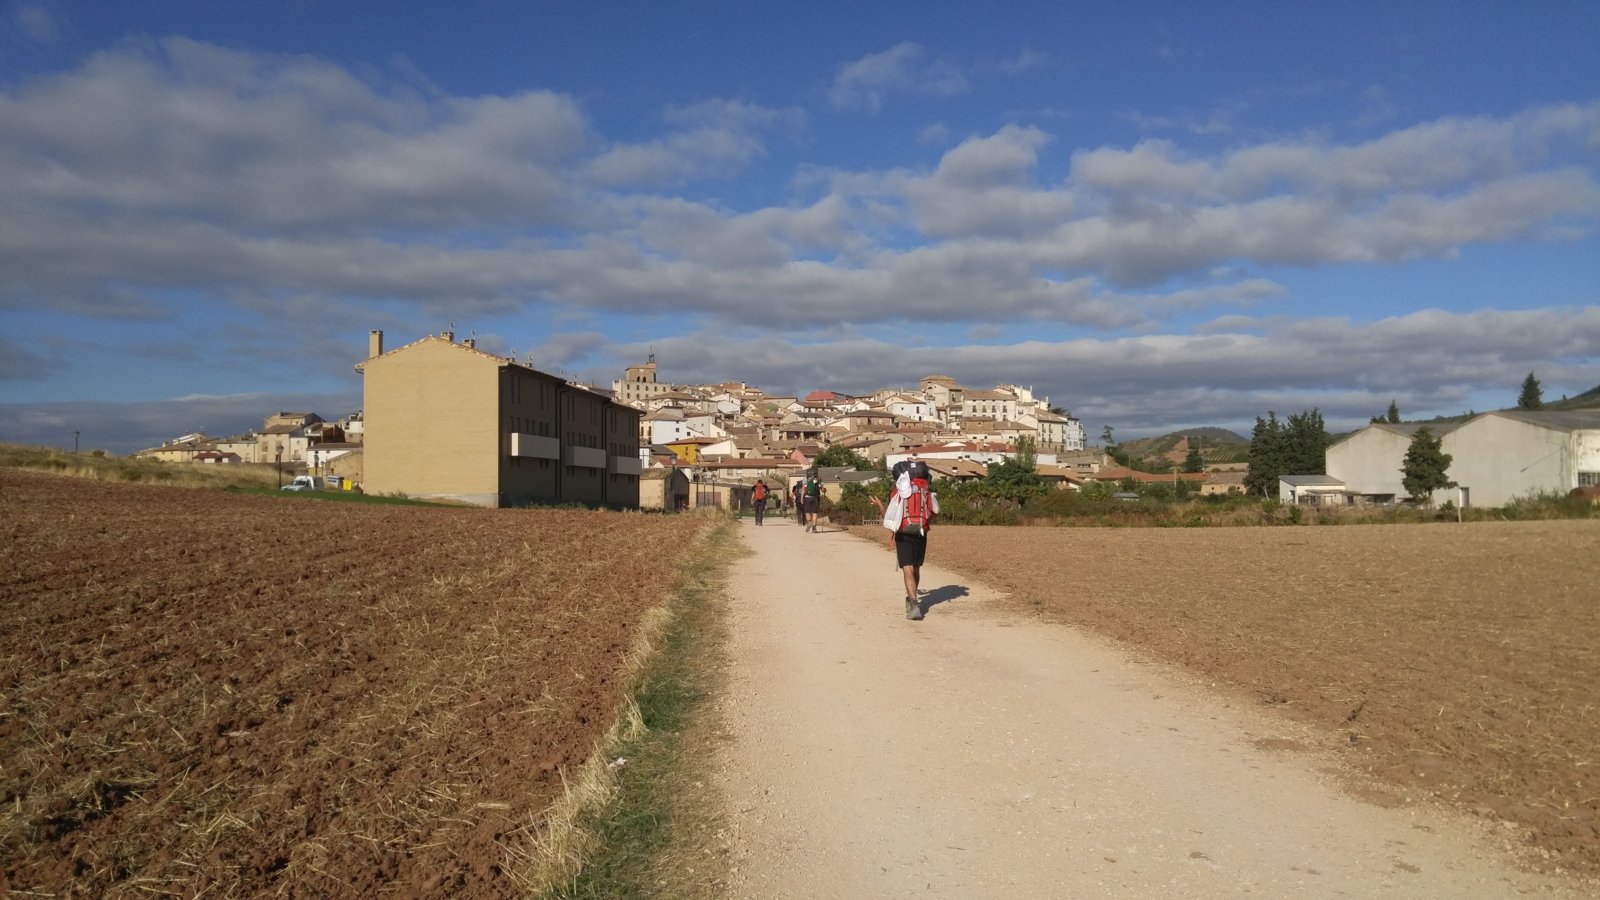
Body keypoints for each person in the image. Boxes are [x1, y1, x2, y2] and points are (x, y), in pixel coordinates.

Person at [873, 458, 938, 620]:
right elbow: (933, 512)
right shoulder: (925, 490)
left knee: (907, 568)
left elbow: (889, 516)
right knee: (916, 568)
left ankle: (913, 602)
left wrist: (880, 505)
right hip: (921, 532)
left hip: (903, 533)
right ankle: (913, 599)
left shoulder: (897, 491)